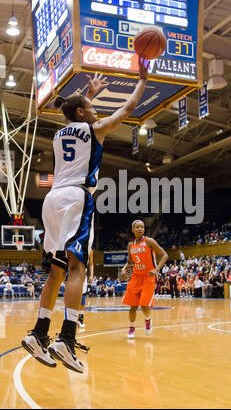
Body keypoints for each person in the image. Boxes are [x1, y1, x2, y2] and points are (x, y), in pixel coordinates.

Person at [21, 57, 149, 373]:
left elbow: (77, 113)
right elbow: (128, 109)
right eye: (91, 109)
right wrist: (142, 79)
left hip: (51, 202)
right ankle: (66, 337)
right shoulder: (96, 129)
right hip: (78, 198)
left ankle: (39, 333)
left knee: (56, 272)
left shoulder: (58, 134)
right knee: (79, 269)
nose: (96, 112)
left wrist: (87, 93)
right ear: (82, 113)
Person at [121, 220, 168, 339]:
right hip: (136, 277)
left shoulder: (149, 241)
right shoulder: (131, 245)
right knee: (132, 306)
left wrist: (156, 270)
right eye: (137, 227)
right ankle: (131, 328)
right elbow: (129, 262)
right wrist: (123, 269)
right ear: (133, 230)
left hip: (149, 277)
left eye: (142, 227)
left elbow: (165, 255)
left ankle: (148, 320)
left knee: (144, 304)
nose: (140, 229)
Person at [78, 249, 94, 329]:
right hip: (73, 274)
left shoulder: (89, 250)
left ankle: (80, 319)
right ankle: (70, 319)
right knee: (72, 299)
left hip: (83, 275)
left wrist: (91, 275)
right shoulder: (74, 244)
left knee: (83, 298)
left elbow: (91, 264)